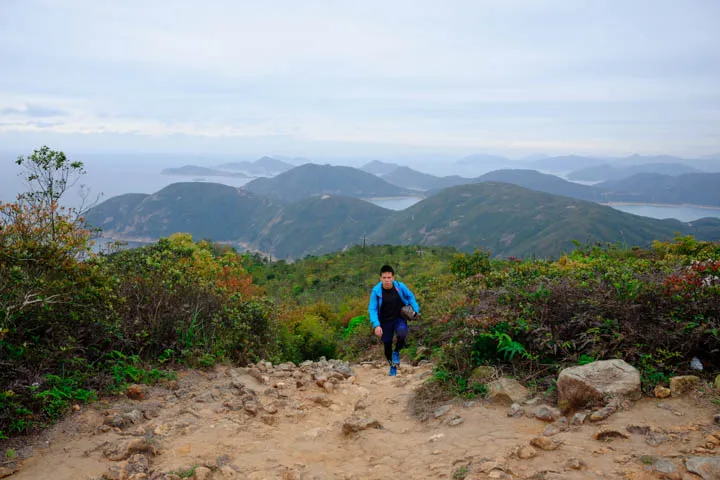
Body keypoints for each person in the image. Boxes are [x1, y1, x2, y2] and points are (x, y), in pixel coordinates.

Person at [368, 264, 420, 376]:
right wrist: (376, 325)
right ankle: (392, 365)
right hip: (384, 322)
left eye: (389, 277)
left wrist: (415, 309)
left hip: (398, 318)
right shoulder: (376, 292)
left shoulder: (400, 287)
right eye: (384, 278)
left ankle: (396, 352)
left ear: (393, 277)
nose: (387, 280)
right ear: (380, 278)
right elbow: (372, 309)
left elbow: (411, 296)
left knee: (402, 333)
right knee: (387, 346)